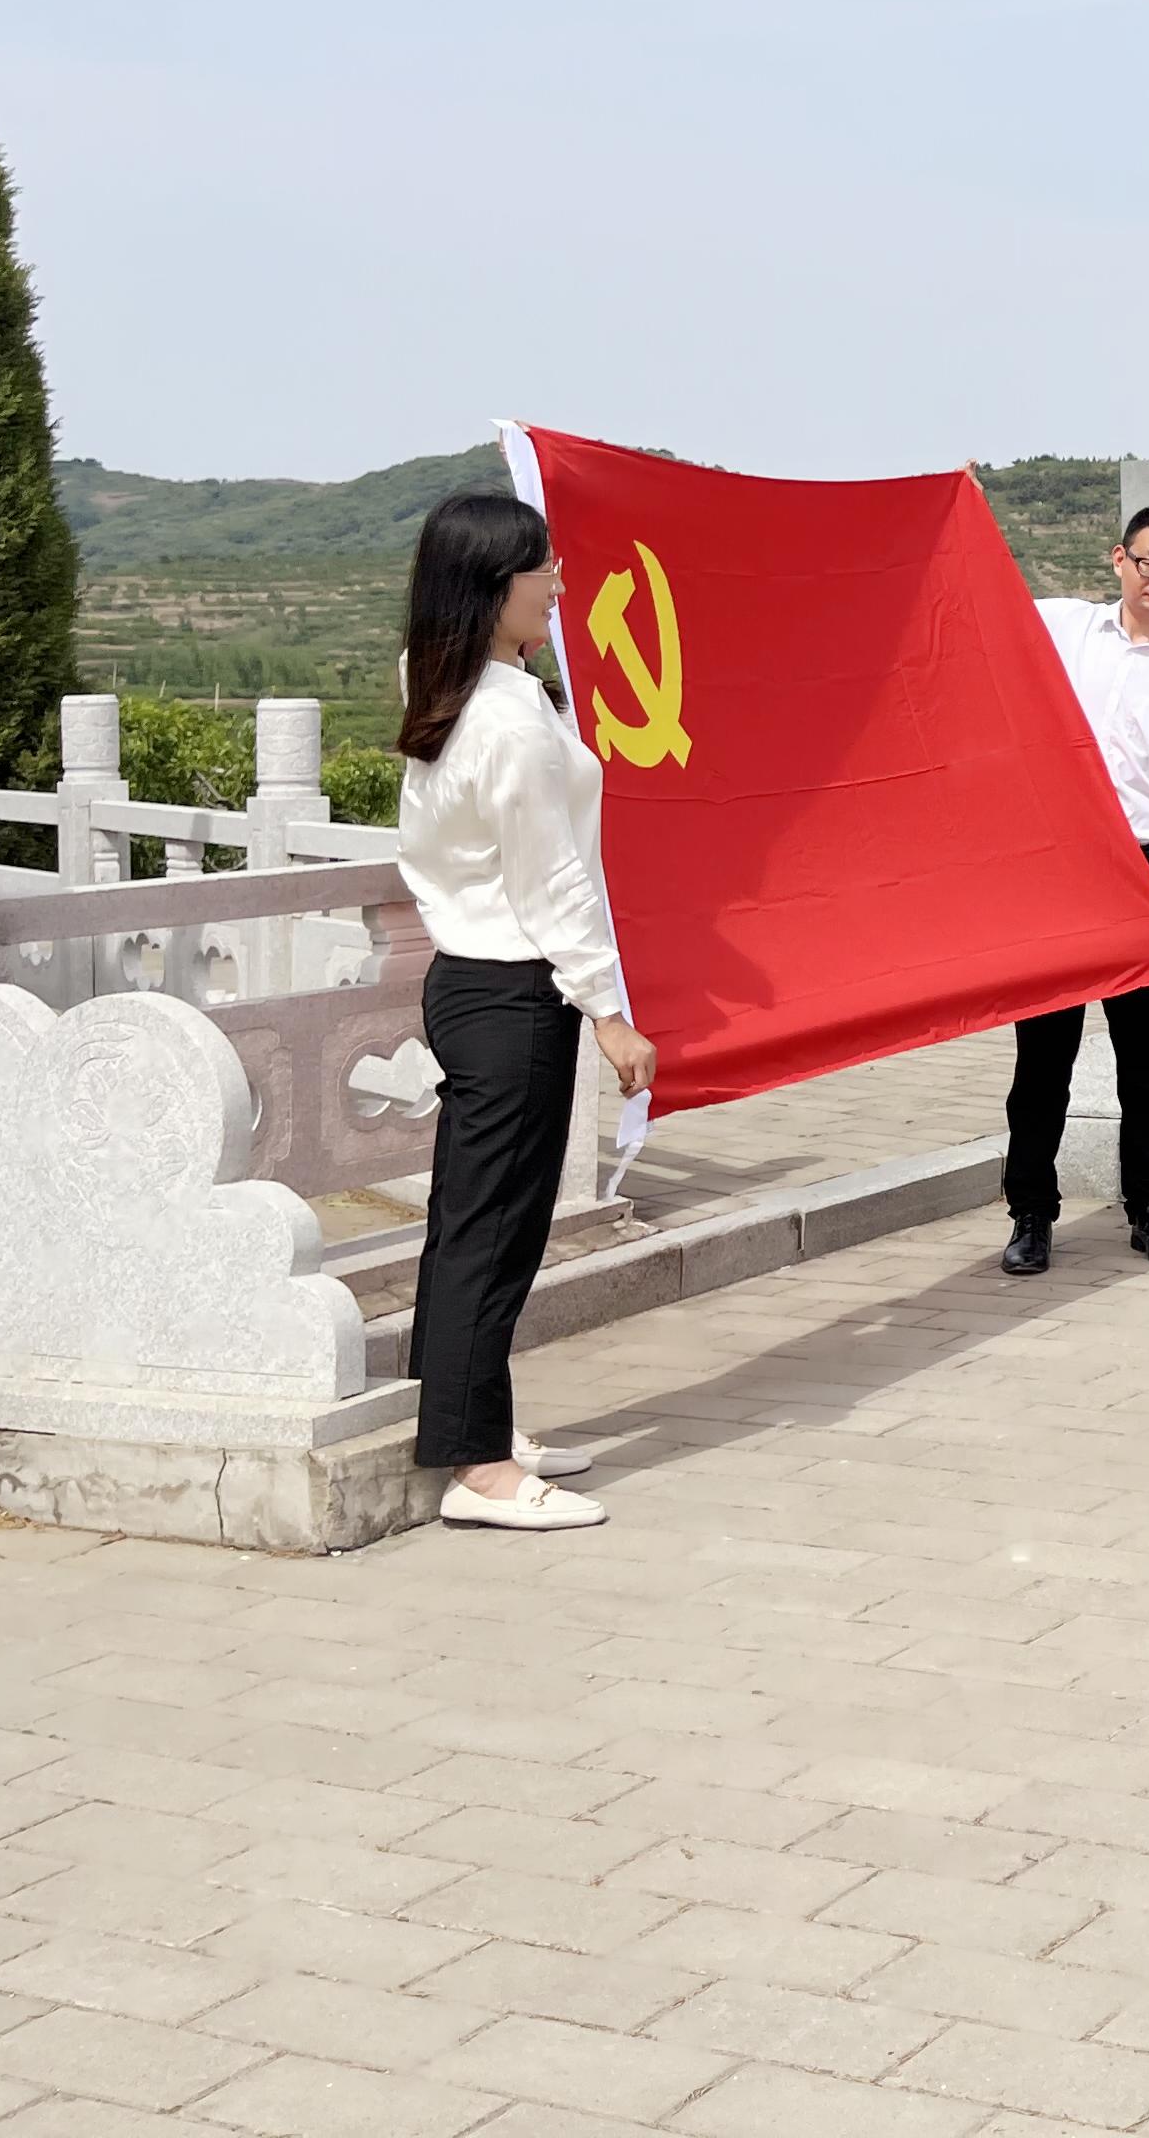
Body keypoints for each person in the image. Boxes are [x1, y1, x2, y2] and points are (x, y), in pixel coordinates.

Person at [393, 492, 657, 1535]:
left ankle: (471, 1426)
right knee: (495, 1231)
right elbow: (552, 884)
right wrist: (610, 1013)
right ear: (491, 584)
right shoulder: (507, 718)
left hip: (469, 980)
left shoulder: (444, 679)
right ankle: (479, 1471)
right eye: (542, 569)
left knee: (471, 1224)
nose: (558, 584)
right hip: (515, 989)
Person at [1001, 504, 1149, 1278]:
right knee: (1043, 1055)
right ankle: (1031, 1213)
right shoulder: (1065, 627)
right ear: (1119, 560)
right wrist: (963, 509)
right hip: (1057, 869)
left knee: (1147, 1056)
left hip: (1141, 868)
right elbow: (980, 602)